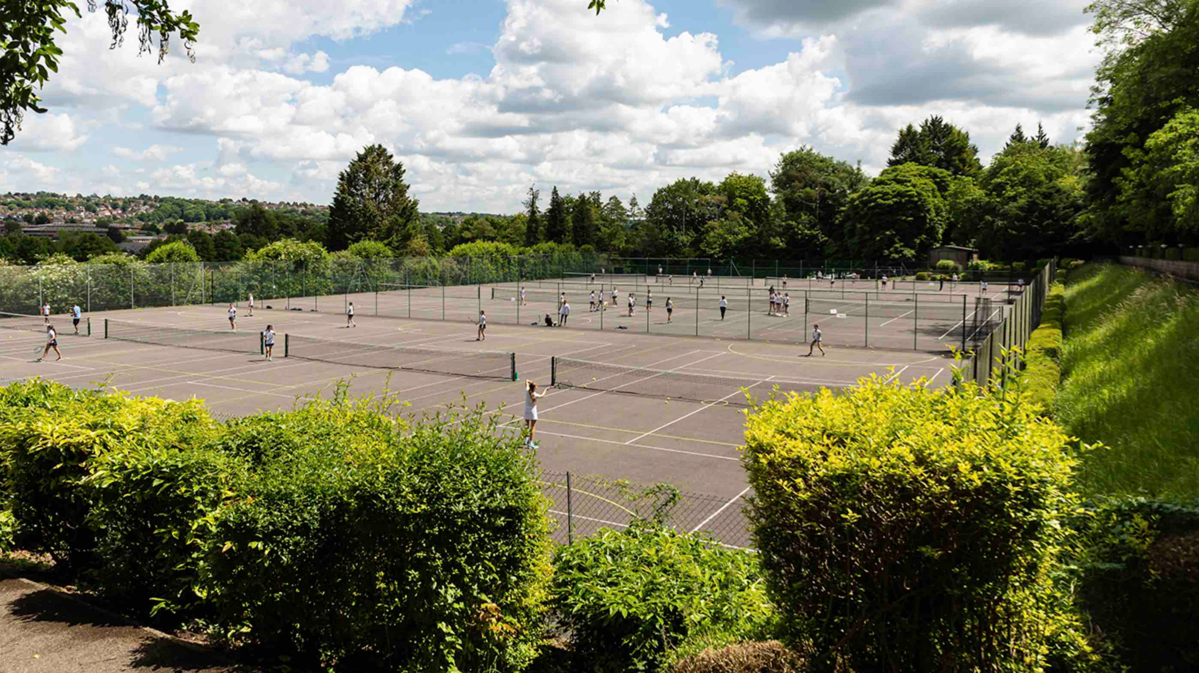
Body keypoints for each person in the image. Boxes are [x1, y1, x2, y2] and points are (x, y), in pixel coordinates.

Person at [523, 381, 547, 448]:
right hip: (533, 413)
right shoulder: (535, 394)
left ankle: (526, 439)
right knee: (532, 427)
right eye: (536, 386)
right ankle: (530, 443)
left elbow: (526, 381)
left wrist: (531, 382)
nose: (537, 387)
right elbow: (542, 395)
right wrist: (545, 390)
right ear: (534, 388)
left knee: (527, 426)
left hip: (526, 411)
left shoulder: (527, 390)